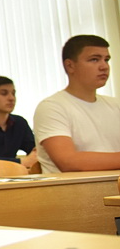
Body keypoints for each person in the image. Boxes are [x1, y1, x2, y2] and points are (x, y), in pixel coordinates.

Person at [33, 35, 120, 173]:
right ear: (70, 66)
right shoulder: (51, 107)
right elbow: (69, 161)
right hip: (73, 186)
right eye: (94, 59)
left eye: (106, 60)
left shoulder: (116, 105)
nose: (104, 66)